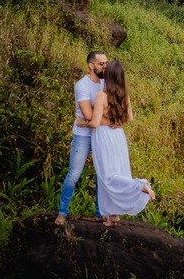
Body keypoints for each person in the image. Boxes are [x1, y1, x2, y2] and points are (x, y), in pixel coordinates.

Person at [80, 58, 155, 226]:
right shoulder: (124, 94)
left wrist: (81, 123)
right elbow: (130, 117)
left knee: (107, 177)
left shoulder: (102, 96)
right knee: (118, 173)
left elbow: (94, 123)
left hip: (103, 137)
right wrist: (116, 122)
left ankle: (140, 186)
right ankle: (113, 216)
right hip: (118, 136)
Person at [55, 50, 106, 226]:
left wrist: (98, 113)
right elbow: (89, 115)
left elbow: (106, 111)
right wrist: (99, 112)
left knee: (102, 175)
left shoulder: (106, 83)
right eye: (101, 64)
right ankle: (62, 212)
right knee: (74, 174)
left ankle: (100, 212)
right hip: (83, 135)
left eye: (106, 63)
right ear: (91, 65)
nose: (105, 66)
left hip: (100, 134)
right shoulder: (82, 85)